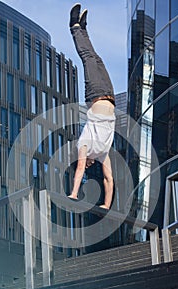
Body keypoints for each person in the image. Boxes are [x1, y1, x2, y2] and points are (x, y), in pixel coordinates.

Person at [68, 4, 116, 209]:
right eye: (89, 164)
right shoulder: (103, 153)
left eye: (86, 162)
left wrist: (74, 193)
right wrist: (106, 204)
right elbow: (108, 178)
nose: (87, 163)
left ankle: (74, 26)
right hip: (110, 95)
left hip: (95, 94)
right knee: (97, 59)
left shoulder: (84, 145)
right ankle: (84, 29)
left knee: (88, 59)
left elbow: (79, 167)